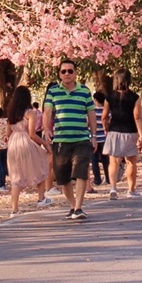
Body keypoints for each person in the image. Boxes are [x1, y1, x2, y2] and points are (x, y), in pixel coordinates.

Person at [43, 60, 97, 220]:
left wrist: (93, 136)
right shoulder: (53, 92)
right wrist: (46, 129)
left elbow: (92, 115)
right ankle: (73, 206)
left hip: (81, 139)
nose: (67, 74)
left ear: (76, 73)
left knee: (81, 172)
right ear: (59, 74)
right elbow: (47, 112)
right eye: (64, 71)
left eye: (70, 71)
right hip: (60, 140)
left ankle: (79, 207)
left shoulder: (85, 91)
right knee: (63, 177)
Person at [5, 85, 52, 216]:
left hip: (13, 143)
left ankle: (14, 209)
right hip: (25, 141)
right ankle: (41, 197)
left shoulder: (11, 113)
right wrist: (45, 144)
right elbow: (32, 134)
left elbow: (8, 133)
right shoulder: (30, 112)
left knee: (16, 176)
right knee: (41, 163)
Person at [103, 68, 142, 199]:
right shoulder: (135, 97)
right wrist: (141, 134)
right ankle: (131, 190)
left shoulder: (109, 96)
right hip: (130, 131)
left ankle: (113, 189)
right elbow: (137, 117)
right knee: (131, 161)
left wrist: (106, 128)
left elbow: (104, 116)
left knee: (114, 161)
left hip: (114, 131)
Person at [90, 91, 109, 191]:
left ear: (96, 100)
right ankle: (108, 177)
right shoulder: (107, 111)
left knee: (94, 160)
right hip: (104, 138)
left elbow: (88, 123)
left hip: (94, 138)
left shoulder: (92, 111)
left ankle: (97, 179)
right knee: (106, 160)